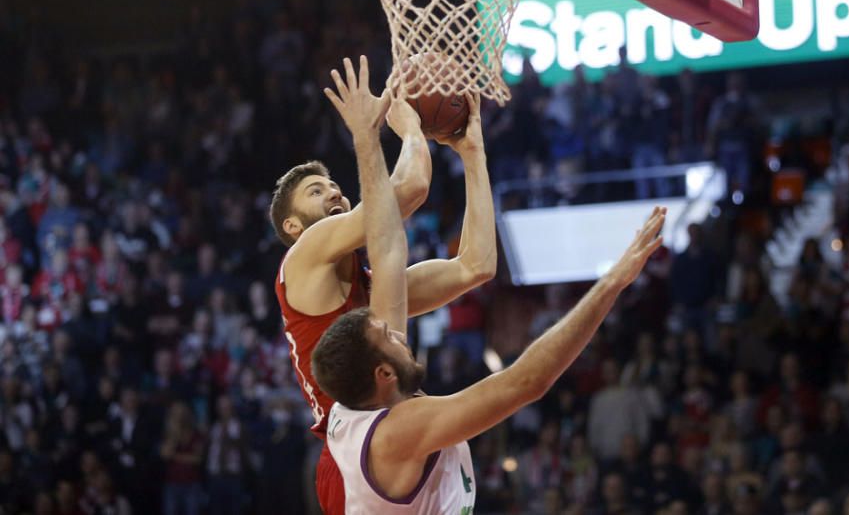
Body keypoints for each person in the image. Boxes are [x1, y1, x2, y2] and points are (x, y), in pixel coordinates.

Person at [311, 59, 665, 512]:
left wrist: (471, 153)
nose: (399, 330)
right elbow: (526, 382)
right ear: (383, 374)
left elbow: (400, 250)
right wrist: (612, 283)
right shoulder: (398, 431)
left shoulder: (361, 399)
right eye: (389, 336)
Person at [268, 56, 497, 513]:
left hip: (395, 428)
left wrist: (473, 156)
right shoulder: (304, 258)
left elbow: (476, 266)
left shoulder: (371, 289)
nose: (333, 191)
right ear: (293, 226)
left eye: (332, 184)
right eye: (316, 192)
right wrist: (408, 125)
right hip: (358, 449)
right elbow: (408, 190)